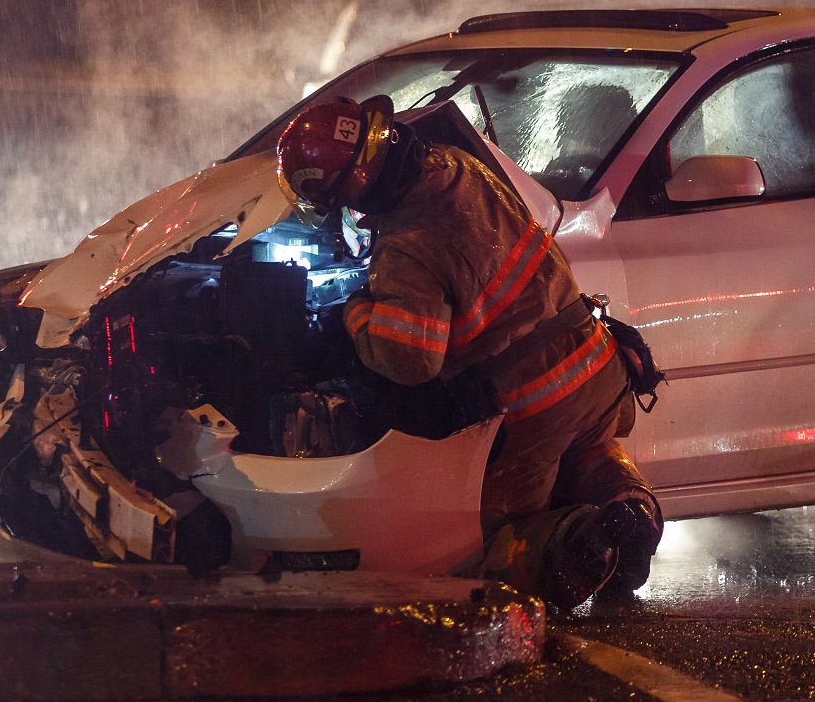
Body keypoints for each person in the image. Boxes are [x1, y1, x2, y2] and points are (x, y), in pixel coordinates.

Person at [276, 94, 662, 607]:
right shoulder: (456, 166)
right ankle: (629, 510)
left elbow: (411, 358)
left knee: (471, 544)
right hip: (596, 364)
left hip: (537, 399)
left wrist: (353, 312)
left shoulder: (407, 243)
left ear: (351, 187)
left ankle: (571, 548)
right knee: (587, 453)